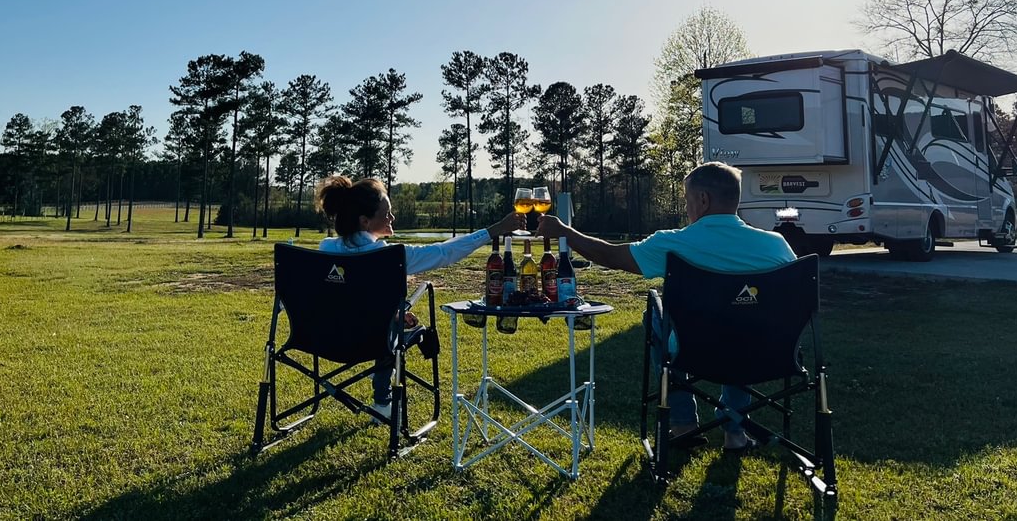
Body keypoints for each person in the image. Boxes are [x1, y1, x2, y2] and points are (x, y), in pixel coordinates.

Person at [536, 161, 796, 452]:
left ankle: (684, 424)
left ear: (702, 200)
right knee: (744, 320)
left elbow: (609, 256)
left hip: (695, 352)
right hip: (768, 353)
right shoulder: (777, 245)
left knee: (655, 314)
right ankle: (734, 433)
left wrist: (564, 232)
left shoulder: (674, 244)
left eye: (686, 199)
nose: (686, 208)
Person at [316, 175, 518, 419]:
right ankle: (382, 403)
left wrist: (392, 311)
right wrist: (495, 230)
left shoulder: (325, 249)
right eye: (387, 213)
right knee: (390, 333)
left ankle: (382, 383)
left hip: (324, 338)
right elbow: (445, 252)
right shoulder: (392, 256)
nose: (392, 218)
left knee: (386, 324)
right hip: (374, 340)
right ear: (365, 221)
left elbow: (349, 298)